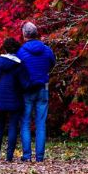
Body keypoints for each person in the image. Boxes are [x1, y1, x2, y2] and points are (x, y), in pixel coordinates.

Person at [17, 21, 56, 162]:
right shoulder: (47, 50)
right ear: (36, 33)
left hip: (27, 89)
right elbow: (52, 63)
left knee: (25, 122)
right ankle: (40, 156)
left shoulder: (21, 51)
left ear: (24, 34)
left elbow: (18, 70)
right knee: (40, 123)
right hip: (43, 87)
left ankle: (26, 156)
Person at [0, 37, 26, 162]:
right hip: (15, 100)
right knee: (13, 127)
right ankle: (9, 157)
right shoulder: (20, 65)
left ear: (4, 48)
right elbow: (24, 84)